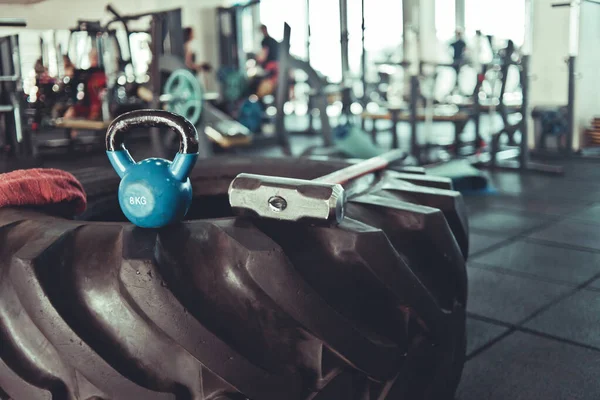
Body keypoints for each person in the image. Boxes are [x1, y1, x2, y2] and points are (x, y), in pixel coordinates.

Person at [255, 24, 280, 98]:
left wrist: (258, 60)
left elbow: (263, 54)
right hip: (276, 66)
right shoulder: (273, 40)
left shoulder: (265, 41)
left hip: (271, 66)